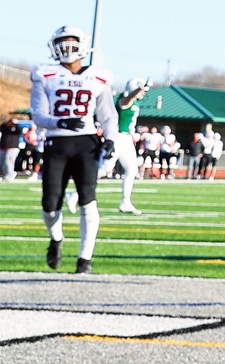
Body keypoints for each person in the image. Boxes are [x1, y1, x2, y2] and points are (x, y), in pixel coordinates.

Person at [30, 27, 117, 273]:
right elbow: (38, 115)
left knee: (88, 199)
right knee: (50, 204)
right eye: (61, 43)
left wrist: (110, 139)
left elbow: (108, 115)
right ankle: (56, 239)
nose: (66, 48)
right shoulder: (45, 75)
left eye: (70, 43)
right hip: (56, 143)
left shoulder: (98, 77)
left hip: (86, 143)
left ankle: (84, 259)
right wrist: (60, 122)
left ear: (82, 45)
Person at [105, 78, 151, 212]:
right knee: (104, 169)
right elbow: (127, 100)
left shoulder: (134, 101)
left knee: (132, 169)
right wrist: (139, 89)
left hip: (126, 138)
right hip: (117, 136)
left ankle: (126, 201)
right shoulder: (125, 99)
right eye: (141, 90)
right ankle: (76, 194)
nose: (143, 93)